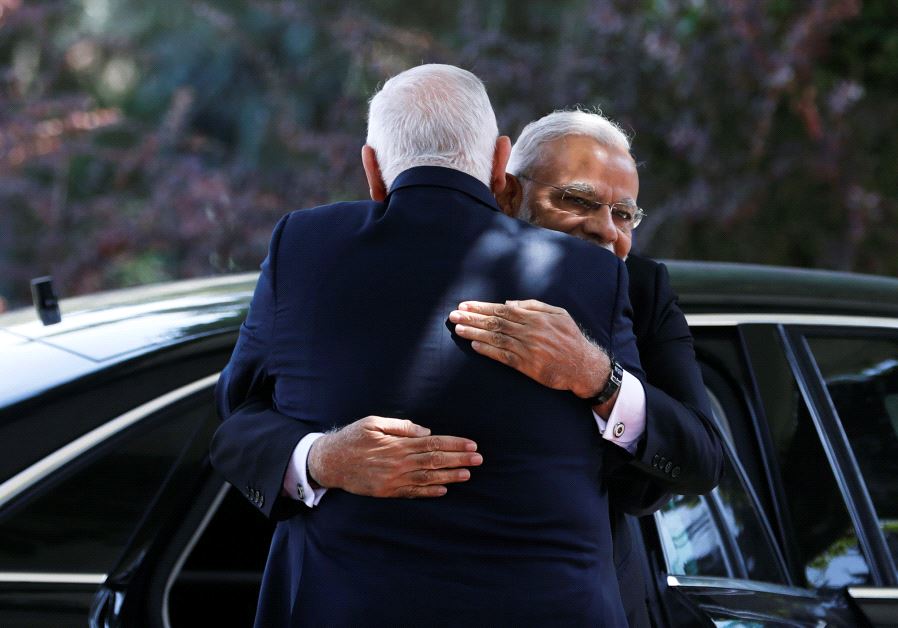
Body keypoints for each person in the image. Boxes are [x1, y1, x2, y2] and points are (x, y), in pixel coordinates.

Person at [213, 65, 642, 625]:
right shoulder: (593, 272)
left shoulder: (304, 248)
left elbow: (236, 419)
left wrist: (318, 459)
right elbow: (641, 469)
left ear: (373, 169)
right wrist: (597, 377)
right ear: (498, 164)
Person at [451, 109, 724, 626]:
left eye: (624, 214)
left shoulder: (645, 292)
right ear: (508, 194)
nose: (604, 230)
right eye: (576, 200)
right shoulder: (447, 279)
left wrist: (598, 379)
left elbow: (701, 458)